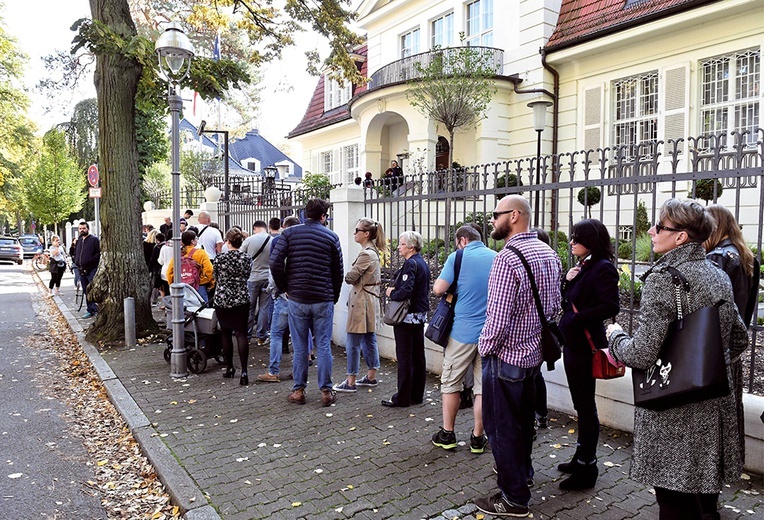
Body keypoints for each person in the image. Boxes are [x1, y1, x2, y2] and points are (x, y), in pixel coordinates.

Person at [606, 198, 748, 520]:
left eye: (660, 227)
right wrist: (706, 367)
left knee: (672, 503)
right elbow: (739, 338)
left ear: (681, 236)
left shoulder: (662, 280)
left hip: (671, 409)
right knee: (702, 501)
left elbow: (641, 353)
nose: (652, 232)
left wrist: (615, 337)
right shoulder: (716, 274)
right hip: (711, 405)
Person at [473, 195, 561, 518]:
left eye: (496, 214)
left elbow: (496, 320)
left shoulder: (507, 259)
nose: (492, 220)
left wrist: (484, 349)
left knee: (501, 427)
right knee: (523, 423)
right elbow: (554, 308)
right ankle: (522, 475)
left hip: (506, 357)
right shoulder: (549, 253)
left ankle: (513, 498)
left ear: (513, 216)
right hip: (533, 357)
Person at [556, 219, 619, 490]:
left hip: (585, 345)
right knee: (580, 405)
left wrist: (574, 322)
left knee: (586, 406)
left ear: (590, 241)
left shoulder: (603, 268)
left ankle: (587, 467)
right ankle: (580, 456)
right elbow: (570, 301)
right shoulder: (584, 266)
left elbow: (610, 305)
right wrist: (566, 281)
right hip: (573, 344)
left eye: (576, 239)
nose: (571, 243)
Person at [271, 198, 344, 407]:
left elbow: (275, 263)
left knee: (300, 345)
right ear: (323, 216)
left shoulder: (289, 234)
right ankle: (326, 391)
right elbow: (337, 271)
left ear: (305, 214)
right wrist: (334, 295)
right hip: (323, 298)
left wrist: (285, 286)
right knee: (323, 344)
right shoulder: (331, 237)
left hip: (298, 297)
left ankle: (299, 390)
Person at [431, 225, 497, 453]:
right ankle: (478, 437)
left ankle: (447, 434)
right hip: (490, 334)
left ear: (462, 240)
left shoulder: (457, 256)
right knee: (482, 387)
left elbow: (438, 289)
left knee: (451, 383)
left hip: (462, 333)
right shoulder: (497, 257)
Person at [704, 204, 760, 463]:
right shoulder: (745, 256)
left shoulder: (719, 257)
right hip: (732, 346)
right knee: (728, 416)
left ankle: (706, 491)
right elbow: (746, 309)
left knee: (711, 421)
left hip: (715, 347)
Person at [333, 218, 387, 393]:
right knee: (369, 339)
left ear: (366, 233)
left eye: (357, 230)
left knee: (353, 341)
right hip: (368, 300)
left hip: (361, 301)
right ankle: (371, 376)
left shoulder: (366, 254)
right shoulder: (372, 252)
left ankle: (351, 381)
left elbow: (350, 277)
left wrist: (349, 273)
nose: (354, 233)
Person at [382, 230, 431, 407]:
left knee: (405, 357)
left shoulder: (411, 264)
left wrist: (391, 292)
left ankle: (402, 398)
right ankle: (417, 395)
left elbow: (405, 291)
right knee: (418, 356)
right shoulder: (422, 263)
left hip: (406, 317)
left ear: (411, 247)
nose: (399, 247)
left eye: (402, 244)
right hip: (419, 316)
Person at [257, 216, 301, 383]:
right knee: (298, 335)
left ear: (284, 227)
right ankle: (298, 371)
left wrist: (278, 289)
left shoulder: (280, 241)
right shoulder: (305, 242)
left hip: (284, 295)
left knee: (276, 333)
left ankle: (273, 371)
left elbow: (274, 267)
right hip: (300, 296)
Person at [212, 228, 252, 386]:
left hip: (223, 299)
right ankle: (244, 372)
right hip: (241, 298)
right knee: (241, 334)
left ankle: (229, 368)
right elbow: (247, 276)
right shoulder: (246, 258)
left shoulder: (220, 258)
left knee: (225, 333)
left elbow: (215, 277)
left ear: (228, 242)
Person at [241, 221, 272, 345]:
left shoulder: (249, 240)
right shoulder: (272, 240)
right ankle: (261, 336)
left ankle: (247, 336)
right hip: (267, 278)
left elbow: (241, 256)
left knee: (249, 308)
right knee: (264, 308)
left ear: (255, 228)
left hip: (252, 278)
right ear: (265, 228)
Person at [167, 230, 214, 302]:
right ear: (192, 241)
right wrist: (207, 282)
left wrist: (172, 283)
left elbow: (169, 272)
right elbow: (209, 270)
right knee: (202, 309)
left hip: (183, 286)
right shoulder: (201, 252)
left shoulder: (179, 254)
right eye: (196, 238)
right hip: (199, 285)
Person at [74, 221, 101, 319]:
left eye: (84, 228)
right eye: (80, 228)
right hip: (81, 269)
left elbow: (98, 254)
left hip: (91, 269)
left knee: (93, 289)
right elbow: (76, 252)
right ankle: (91, 309)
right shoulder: (79, 240)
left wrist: (90, 261)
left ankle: (97, 308)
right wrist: (76, 261)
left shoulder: (94, 240)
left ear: (88, 229)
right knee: (86, 290)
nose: (82, 230)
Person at [149, 232, 167, 303]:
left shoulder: (157, 247)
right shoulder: (167, 246)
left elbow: (154, 259)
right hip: (166, 268)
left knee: (158, 286)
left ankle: (155, 301)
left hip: (158, 269)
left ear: (157, 240)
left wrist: (150, 268)